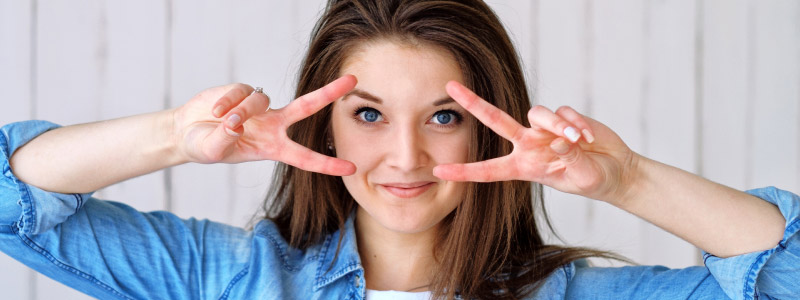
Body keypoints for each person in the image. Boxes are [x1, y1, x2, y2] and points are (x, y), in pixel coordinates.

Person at [1, 0, 798, 299]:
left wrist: (625, 180)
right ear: (325, 123)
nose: (406, 159)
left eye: (444, 118)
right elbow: (14, 204)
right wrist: (175, 137)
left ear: (489, 125)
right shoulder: (229, 280)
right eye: (371, 115)